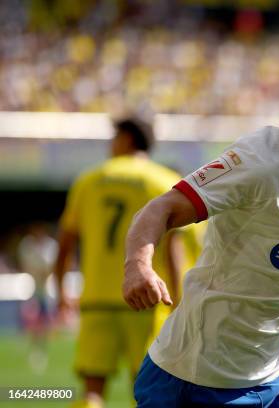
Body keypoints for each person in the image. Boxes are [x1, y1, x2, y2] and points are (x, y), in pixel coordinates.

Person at [122, 23, 279, 407]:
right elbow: (162, 208)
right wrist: (137, 266)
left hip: (275, 373)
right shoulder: (264, 158)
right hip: (196, 376)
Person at [54, 118, 202, 408]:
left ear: (126, 139)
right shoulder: (163, 182)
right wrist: (179, 303)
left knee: (92, 390)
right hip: (148, 299)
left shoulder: (89, 180)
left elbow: (65, 245)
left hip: (97, 299)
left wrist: (61, 291)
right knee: (148, 388)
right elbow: (174, 252)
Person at [17, 222, 58, 373]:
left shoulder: (51, 245)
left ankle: (42, 349)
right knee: (33, 322)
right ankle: (36, 350)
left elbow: (51, 267)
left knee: (46, 323)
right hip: (33, 288)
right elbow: (27, 265)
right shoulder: (26, 244)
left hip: (48, 290)